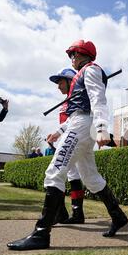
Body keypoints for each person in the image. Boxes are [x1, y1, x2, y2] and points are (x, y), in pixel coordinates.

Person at [8, 39, 128, 251]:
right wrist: (59, 131)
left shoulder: (90, 70)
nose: (72, 58)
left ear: (86, 55)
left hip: (84, 124)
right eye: (71, 55)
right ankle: (118, 216)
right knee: (91, 177)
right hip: (79, 123)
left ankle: (41, 234)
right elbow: (75, 113)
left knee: (55, 172)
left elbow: (98, 99)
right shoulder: (81, 75)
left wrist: (102, 127)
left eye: (76, 54)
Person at [48, 67, 86, 225]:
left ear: (71, 81)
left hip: (76, 138)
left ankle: (63, 214)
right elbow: (66, 123)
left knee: (59, 173)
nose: (58, 86)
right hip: (68, 137)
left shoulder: (78, 98)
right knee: (73, 175)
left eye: (60, 82)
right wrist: (57, 134)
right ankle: (75, 214)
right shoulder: (69, 99)